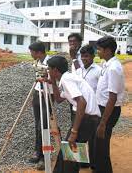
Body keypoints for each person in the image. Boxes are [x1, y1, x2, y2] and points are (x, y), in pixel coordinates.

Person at [46, 56, 101, 173]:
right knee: (71, 156)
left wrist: (74, 132)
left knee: (68, 156)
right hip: (88, 120)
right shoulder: (68, 78)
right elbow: (59, 99)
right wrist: (53, 83)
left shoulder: (67, 79)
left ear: (55, 70)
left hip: (86, 120)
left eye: (49, 69)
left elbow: (82, 102)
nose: (48, 71)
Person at [95, 36, 125, 173]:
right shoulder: (107, 64)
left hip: (108, 110)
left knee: (102, 146)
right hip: (103, 107)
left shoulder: (114, 68)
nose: (97, 52)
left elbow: (112, 97)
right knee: (99, 144)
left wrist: (103, 123)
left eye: (99, 49)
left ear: (107, 50)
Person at [76, 44, 102, 170]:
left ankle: (94, 164)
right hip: (79, 110)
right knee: (79, 137)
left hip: (92, 110)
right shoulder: (78, 71)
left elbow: (101, 91)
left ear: (93, 56)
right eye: (82, 56)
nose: (84, 58)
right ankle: (81, 162)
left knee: (92, 138)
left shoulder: (98, 71)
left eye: (86, 56)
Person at [28, 41, 53, 170]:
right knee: (37, 124)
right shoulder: (37, 62)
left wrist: (47, 79)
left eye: (32, 52)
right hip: (37, 93)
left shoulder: (51, 63)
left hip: (47, 95)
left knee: (43, 125)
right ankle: (38, 152)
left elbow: (54, 80)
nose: (30, 54)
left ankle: (44, 157)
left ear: (38, 52)